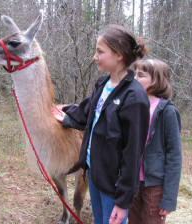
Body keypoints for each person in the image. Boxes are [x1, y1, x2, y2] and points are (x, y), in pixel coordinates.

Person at [52, 24, 150, 224]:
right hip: (93, 173)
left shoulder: (135, 98)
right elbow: (86, 111)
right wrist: (63, 113)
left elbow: (133, 155)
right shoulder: (103, 84)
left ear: (119, 55)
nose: (95, 56)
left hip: (113, 183)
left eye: (100, 52)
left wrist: (123, 203)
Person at [128, 59, 182, 224]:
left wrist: (169, 199)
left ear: (157, 80)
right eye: (135, 74)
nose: (135, 79)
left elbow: (174, 156)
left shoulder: (168, 111)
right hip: (132, 182)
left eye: (141, 76)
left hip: (155, 186)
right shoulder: (133, 106)